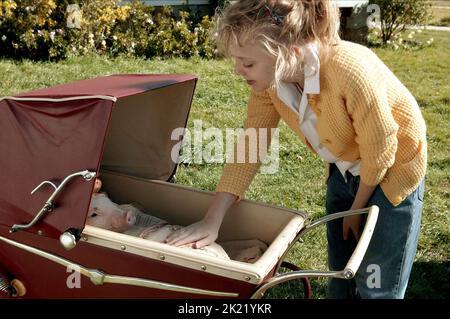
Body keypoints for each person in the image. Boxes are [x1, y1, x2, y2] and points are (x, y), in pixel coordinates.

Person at [166, 0, 427, 299]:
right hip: (346, 169)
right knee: (339, 277)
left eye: (247, 63)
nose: (237, 71)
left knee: (376, 285)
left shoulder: (350, 70)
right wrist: (213, 219)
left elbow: (382, 148)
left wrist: (357, 209)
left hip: (393, 171)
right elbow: (250, 145)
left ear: (288, 53)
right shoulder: (271, 83)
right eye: (236, 61)